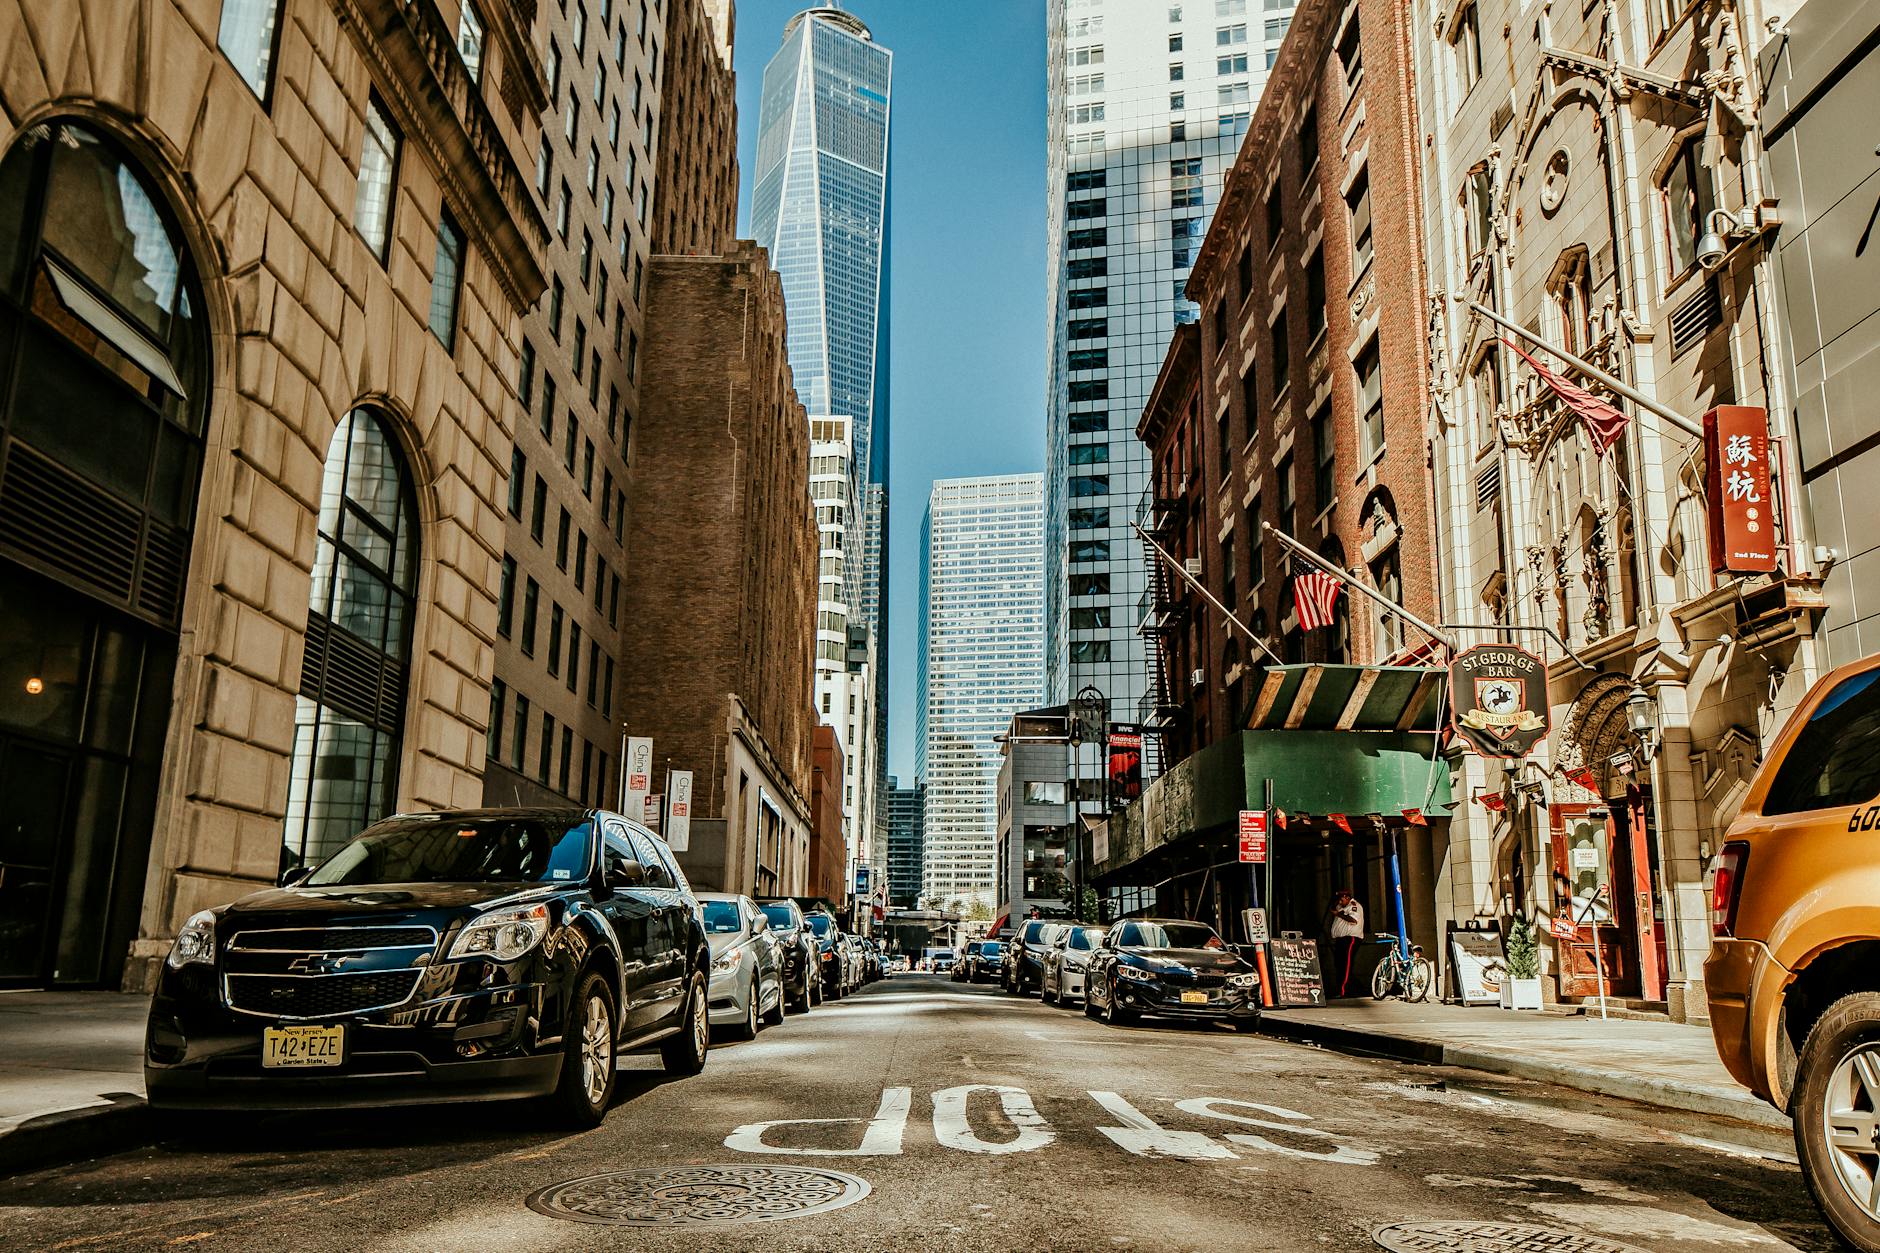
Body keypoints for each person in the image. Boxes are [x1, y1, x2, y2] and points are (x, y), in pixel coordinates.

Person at [1329, 889, 1365, 996]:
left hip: (1350, 939)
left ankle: (1343, 990)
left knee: (1346, 964)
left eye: (1341, 899)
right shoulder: (1341, 907)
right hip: (1341, 940)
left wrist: (1339, 915)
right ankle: (1349, 987)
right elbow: (1333, 908)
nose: (1340, 902)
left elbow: (1353, 920)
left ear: (1347, 897)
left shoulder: (1354, 906)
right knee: (1339, 964)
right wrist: (1337, 905)